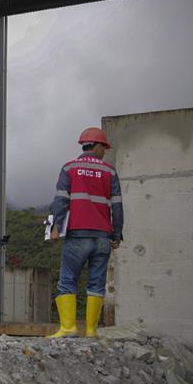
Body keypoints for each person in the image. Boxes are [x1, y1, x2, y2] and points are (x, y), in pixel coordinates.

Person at [48, 127, 123, 338]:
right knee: (96, 282)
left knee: (67, 279)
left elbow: (61, 200)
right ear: (97, 146)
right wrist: (117, 234)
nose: (104, 152)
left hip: (78, 235)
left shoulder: (70, 168)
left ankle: (68, 328)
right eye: (104, 148)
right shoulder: (109, 172)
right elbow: (117, 205)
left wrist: (55, 227)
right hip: (102, 237)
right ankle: (91, 331)